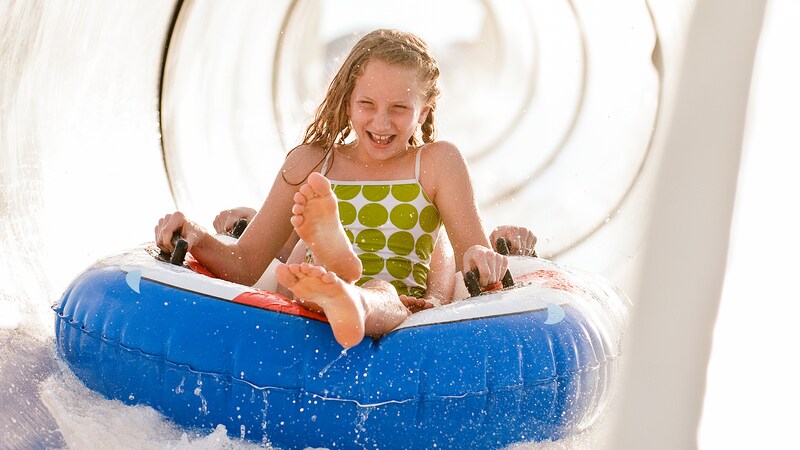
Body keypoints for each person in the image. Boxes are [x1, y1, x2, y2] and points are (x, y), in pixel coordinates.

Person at [156, 29, 524, 348]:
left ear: (424, 111)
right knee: (314, 288)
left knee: (382, 293)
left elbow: (469, 255)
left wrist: (482, 258)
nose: (381, 122)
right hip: (312, 293)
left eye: (399, 108)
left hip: (397, 301)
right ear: (348, 102)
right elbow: (245, 264)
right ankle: (336, 272)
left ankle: (346, 288)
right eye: (366, 104)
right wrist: (197, 236)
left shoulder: (436, 163)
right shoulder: (311, 163)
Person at [214, 206, 537, 309]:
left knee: (385, 297)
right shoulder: (325, 184)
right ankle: (330, 288)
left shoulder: (425, 212)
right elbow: (271, 256)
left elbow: (451, 250)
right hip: (317, 277)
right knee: (306, 245)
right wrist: (246, 225)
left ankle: (342, 293)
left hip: (394, 291)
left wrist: (435, 299)